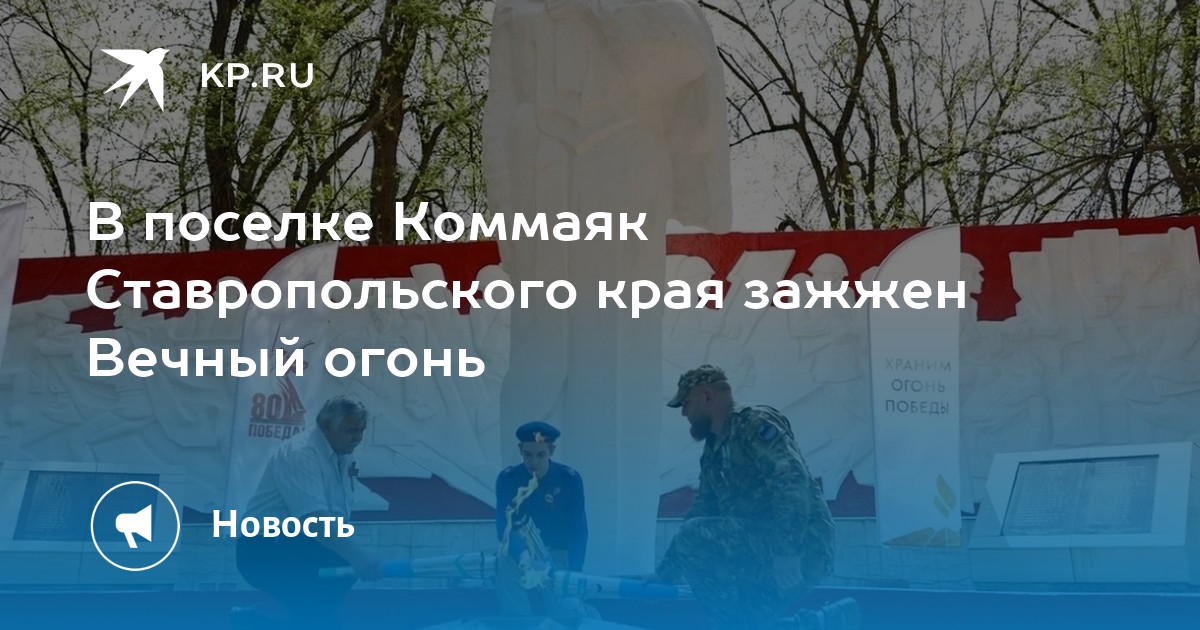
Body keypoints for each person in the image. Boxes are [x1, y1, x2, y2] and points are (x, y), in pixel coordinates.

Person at [653, 366, 858, 630]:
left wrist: (787, 552)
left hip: (802, 545)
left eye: (686, 403)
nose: (684, 413)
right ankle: (824, 621)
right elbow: (703, 509)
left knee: (697, 539)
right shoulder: (714, 450)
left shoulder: (754, 424)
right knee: (751, 619)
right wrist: (664, 575)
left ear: (707, 397)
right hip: (761, 544)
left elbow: (791, 482)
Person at [234, 396, 382, 628]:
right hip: (263, 549)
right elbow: (314, 520)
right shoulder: (300, 454)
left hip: (295, 545)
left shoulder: (341, 455)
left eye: (361, 430)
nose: (358, 438)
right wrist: (358, 556)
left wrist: (353, 555)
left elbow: (335, 517)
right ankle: (254, 622)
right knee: (320, 608)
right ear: (327, 425)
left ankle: (253, 621)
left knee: (320, 608)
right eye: (351, 431)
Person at [494, 421, 588, 616]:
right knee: (505, 564)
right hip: (522, 554)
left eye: (540, 455)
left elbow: (578, 530)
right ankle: (516, 622)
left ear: (551, 451)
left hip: (557, 555)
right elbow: (503, 524)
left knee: (564, 613)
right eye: (528, 454)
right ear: (520, 449)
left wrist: (574, 576)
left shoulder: (569, 480)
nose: (533, 461)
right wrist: (521, 554)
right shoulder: (508, 479)